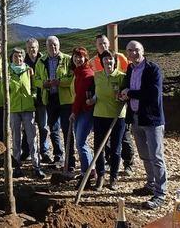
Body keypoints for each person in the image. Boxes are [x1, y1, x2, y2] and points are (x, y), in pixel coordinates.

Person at [120, 40, 168, 209]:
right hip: (136, 118)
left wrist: (130, 93)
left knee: (156, 157)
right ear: (127, 53)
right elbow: (126, 87)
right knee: (144, 155)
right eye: (130, 50)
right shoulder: (130, 69)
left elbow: (153, 94)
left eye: (137, 50)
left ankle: (160, 193)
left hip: (152, 120)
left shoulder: (152, 69)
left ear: (143, 51)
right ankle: (150, 184)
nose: (134, 53)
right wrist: (123, 93)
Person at [89, 34, 134, 176]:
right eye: (100, 44)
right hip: (101, 111)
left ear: (109, 43)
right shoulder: (93, 62)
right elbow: (93, 86)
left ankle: (128, 164)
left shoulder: (120, 57)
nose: (103, 46)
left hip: (118, 111)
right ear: (96, 46)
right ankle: (105, 169)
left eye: (105, 43)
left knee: (123, 140)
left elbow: (129, 75)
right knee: (102, 144)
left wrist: (124, 93)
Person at [34, 36, 75, 171]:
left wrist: (60, 82)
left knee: (67, 129)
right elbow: (36, 79)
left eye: (55, 45)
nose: (53, 48)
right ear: (46, 47)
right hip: (50, 98)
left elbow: (71, 78)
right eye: (51, 45)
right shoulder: (41, 61)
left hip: (65, 99)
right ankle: (58, 155)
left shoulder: (68, 59)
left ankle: (71, 159)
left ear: (59, 45)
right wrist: (42, 84)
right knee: (53, 129)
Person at [90, 50, 127, 191]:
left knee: (116, 149)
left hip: (117, 116)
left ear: (115, 61)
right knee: (99, 148)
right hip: (99, 115)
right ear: (102, 62)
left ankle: (113, 177)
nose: (108, 62)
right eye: (105, 60)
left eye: (110, 59)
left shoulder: (121, 77)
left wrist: (123, 97)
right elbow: (94, 94)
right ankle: (100, 176)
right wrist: (92, 99)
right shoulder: (97, 76)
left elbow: (126, 95)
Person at [8, 47, 46, 179]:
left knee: (32, 138)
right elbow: (4, 90)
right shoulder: (8, 71)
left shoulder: (29, 70)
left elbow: (34, 86)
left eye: (20, 56)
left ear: (23, 58)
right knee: (16, 138)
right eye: (15, 56)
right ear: (11, 58)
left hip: (28, 108)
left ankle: (36, 166)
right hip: (13, 109)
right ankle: (17, 165)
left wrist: (33, 97)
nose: (18, 59)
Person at [21, 37, 60, 164]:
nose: (32, 50)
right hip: (27, 100)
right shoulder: (22, 62)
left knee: (43, 127)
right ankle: (26, 151)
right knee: (27, 127)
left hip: (42, 98)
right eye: (29, 48)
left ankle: (44, 151)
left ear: (38, 48)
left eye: (34, 47)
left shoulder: (44, 60)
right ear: (26, 49)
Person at [68, 47, 96, 183]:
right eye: (75, 57)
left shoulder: (86, 74)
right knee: (80, 142)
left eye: (81, 57)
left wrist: (73, 112)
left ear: (85, 58)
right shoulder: (77, 72)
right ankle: (90, 170)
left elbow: (79, 97)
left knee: (80, 142)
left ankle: (88, 172)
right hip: (79, 111)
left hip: (85, 111)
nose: (78, 59)